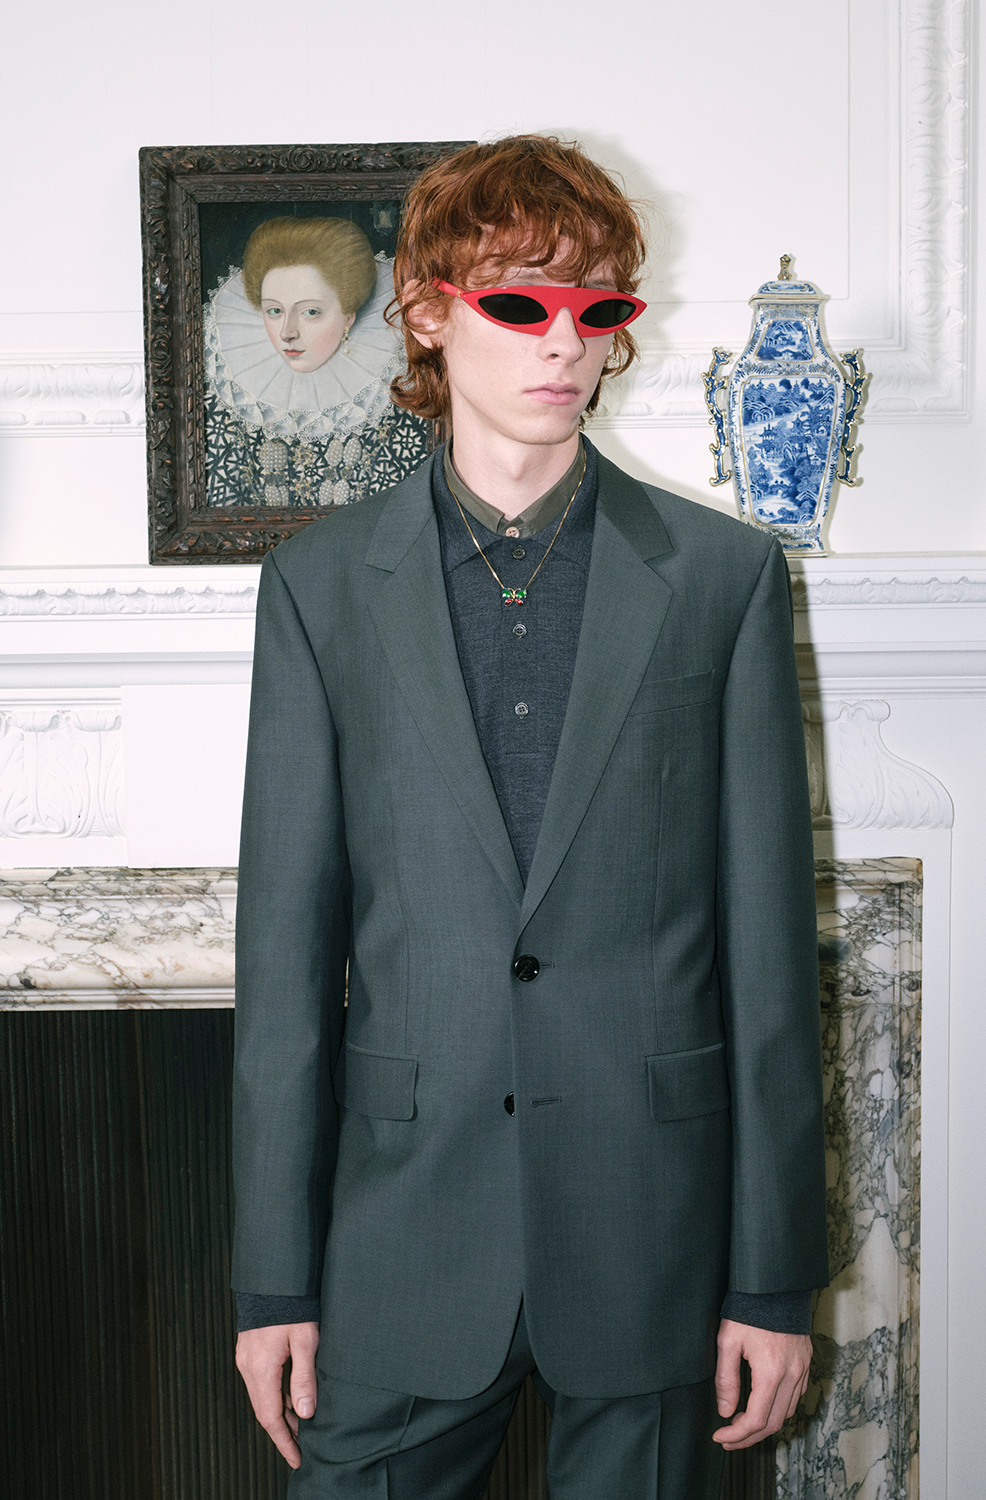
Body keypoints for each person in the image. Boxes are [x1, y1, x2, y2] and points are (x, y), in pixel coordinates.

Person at [231, 135, 829, 1500]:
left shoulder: (722, 578)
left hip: (653, 1228)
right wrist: (272, 1281)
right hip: (399, 1228)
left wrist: (773, 1278)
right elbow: (283, 969)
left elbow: (768, 961)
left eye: (596, 307)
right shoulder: (320, 588)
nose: (565, 342)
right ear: (429, 314)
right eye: (520, 303)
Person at [203, 215, 429, 508]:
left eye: (310, 312)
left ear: (348, 317)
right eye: (274, 311)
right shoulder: (233, 399)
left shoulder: (397, 398)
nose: (287, 333)